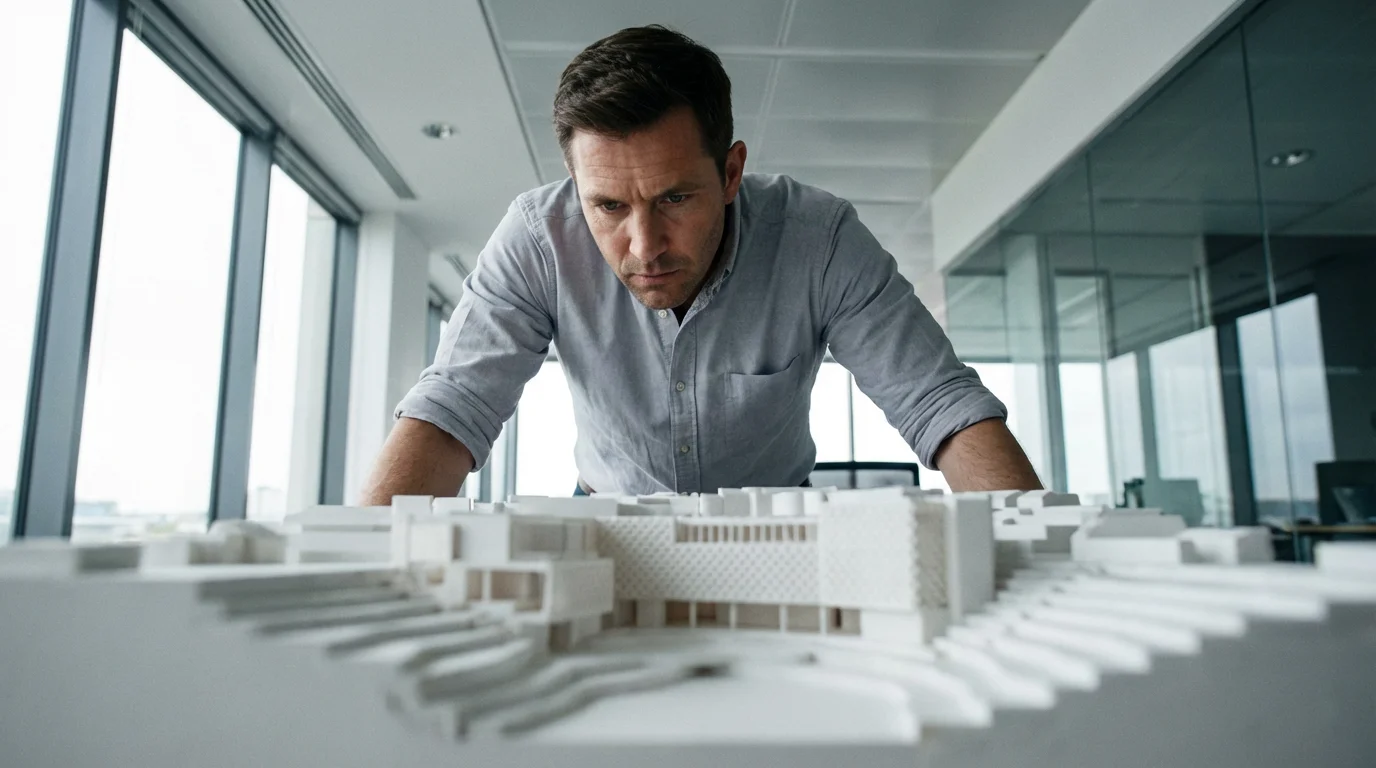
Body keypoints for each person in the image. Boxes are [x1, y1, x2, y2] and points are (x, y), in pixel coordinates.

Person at [361, 25, 1040, 504]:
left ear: (732, 171)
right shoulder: (538, 239)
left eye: (675, 197)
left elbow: (938, 400)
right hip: (609, 513)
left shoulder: (818, 238)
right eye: (607, 206)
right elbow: (453, 406)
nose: (644, 244)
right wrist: (363, 571)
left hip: (777, 522)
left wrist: (1040, 555)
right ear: (573, 182)